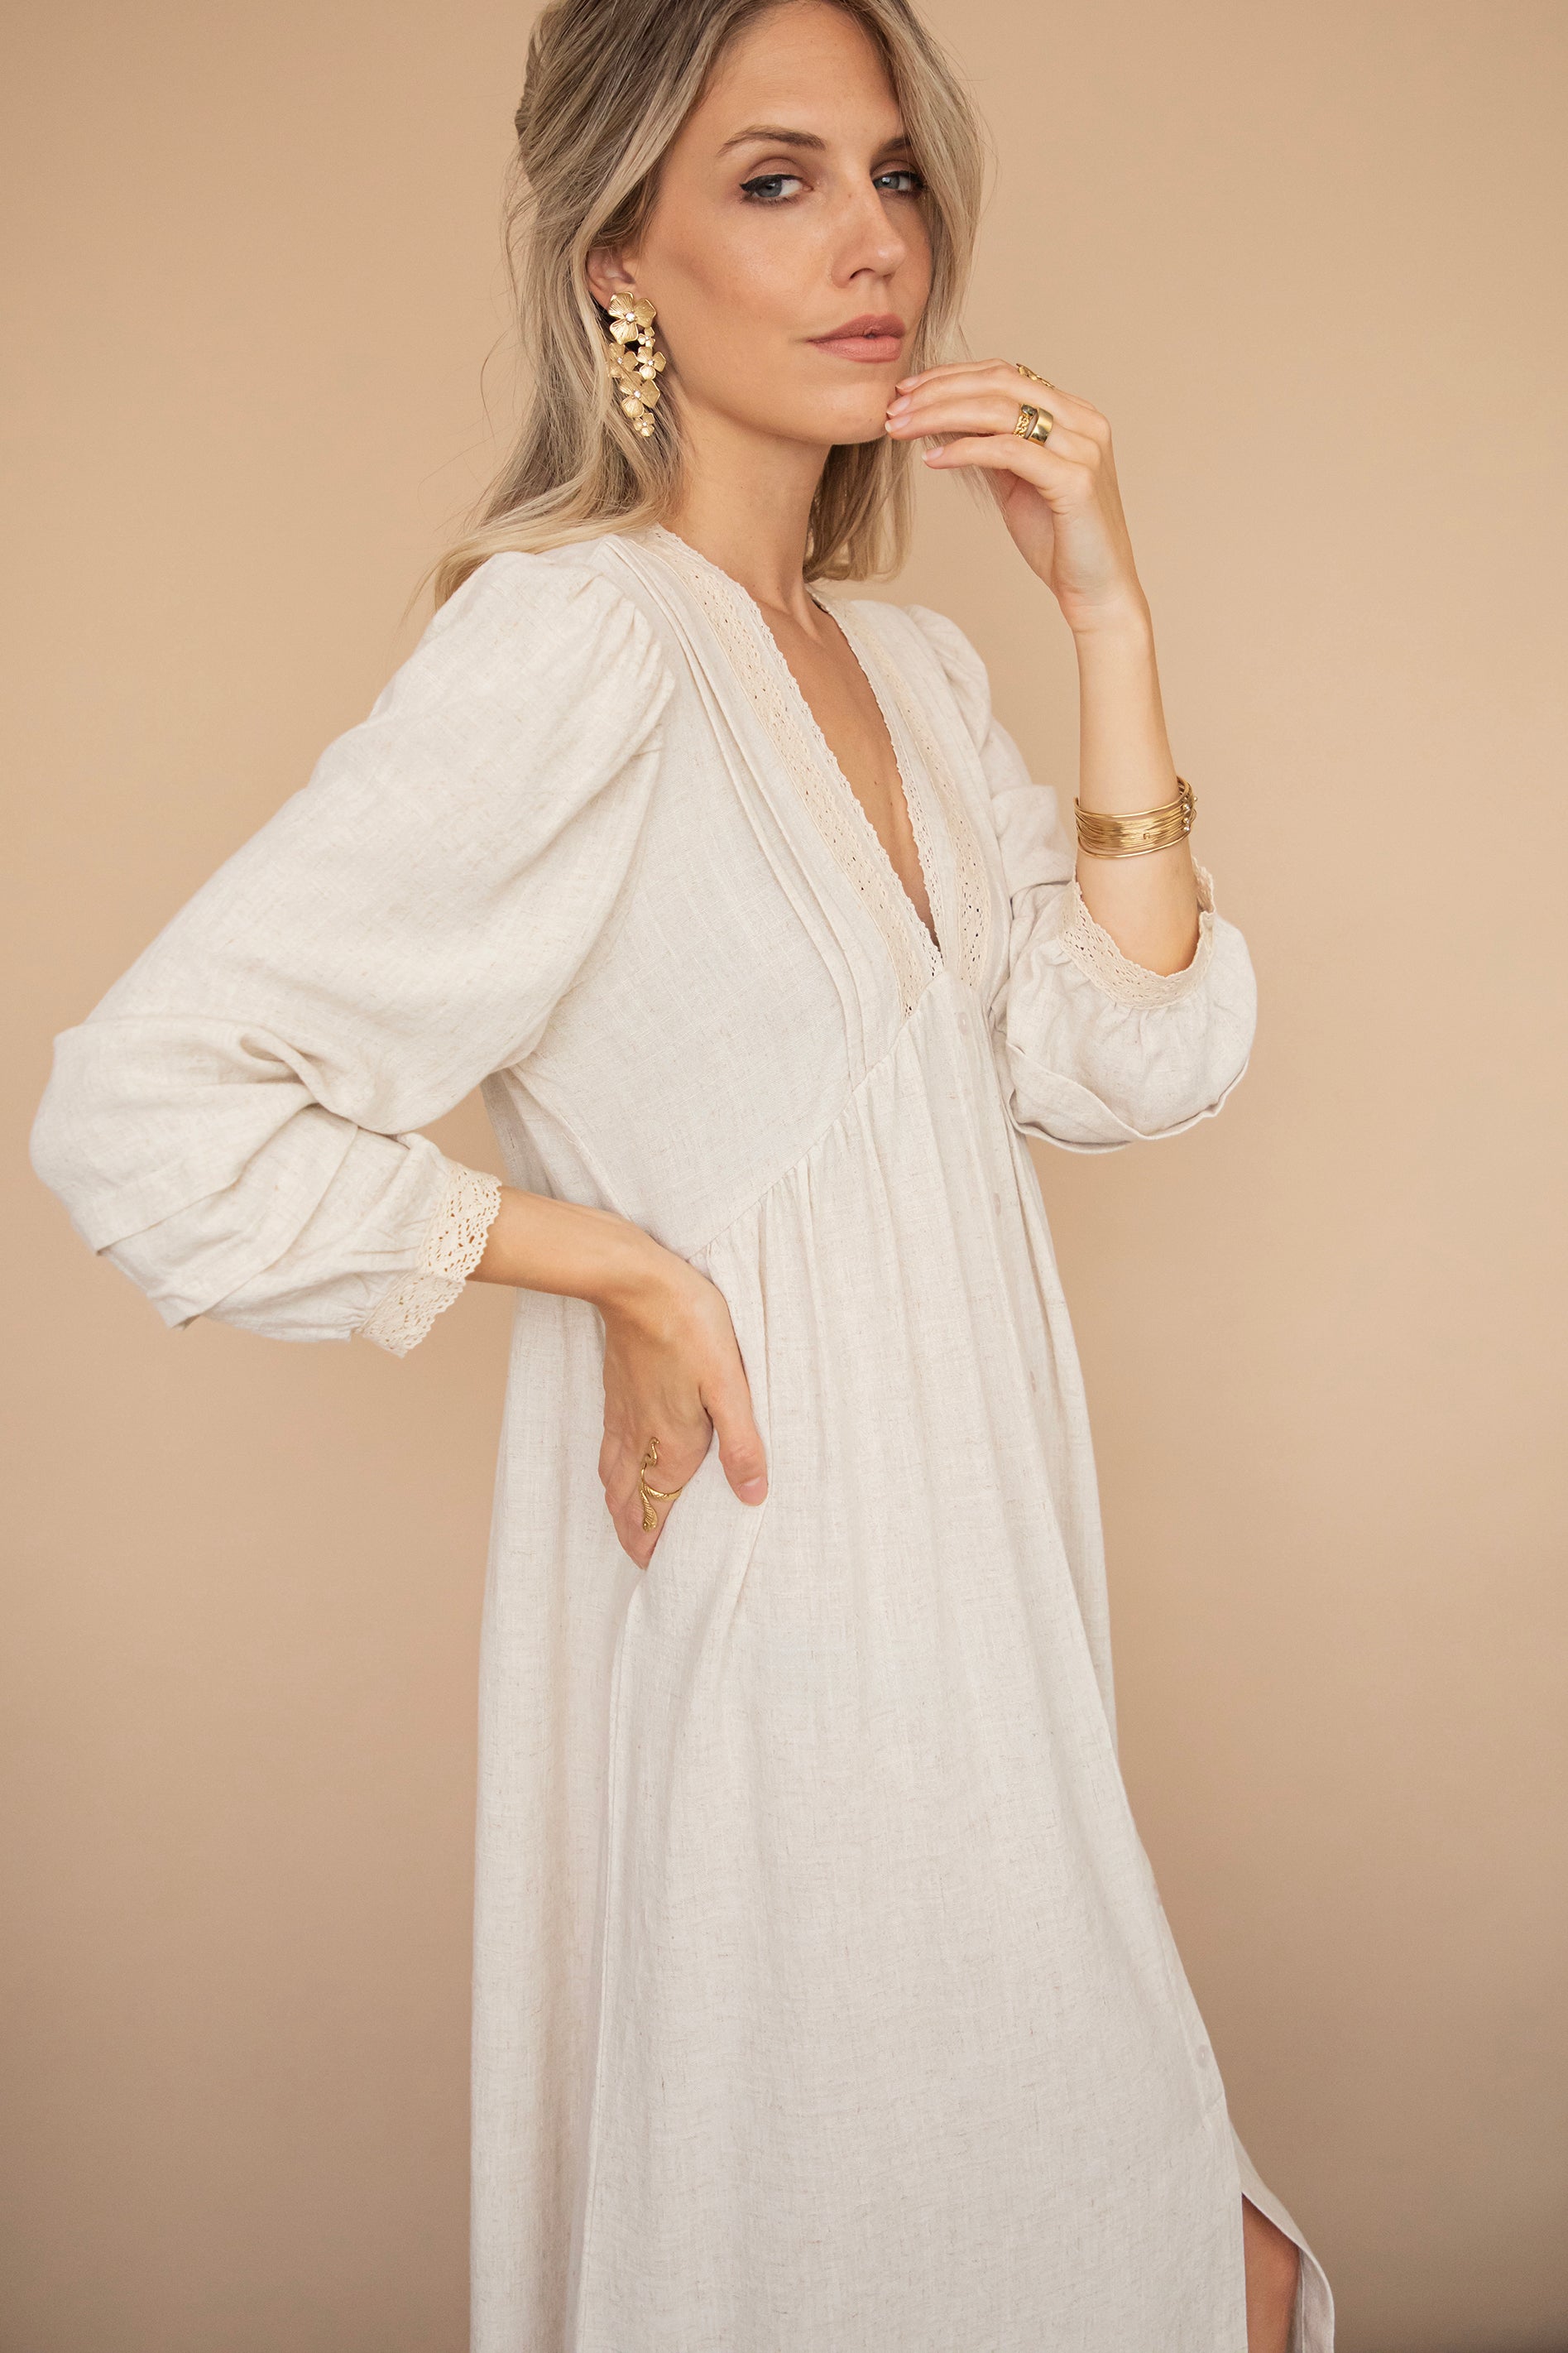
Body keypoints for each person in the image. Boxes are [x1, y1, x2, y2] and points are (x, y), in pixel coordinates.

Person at [29, 0, 1335, 2346]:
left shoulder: (919, 674)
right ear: (616, 258)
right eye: (775, 179)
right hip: (785, 1611)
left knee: (1158, 2265)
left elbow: (1125, 1057)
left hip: (994, 1622)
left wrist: (1107, 613)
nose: (874, 244)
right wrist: (614, 1267)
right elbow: (149, 1109)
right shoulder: (580, 641)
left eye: (894, 175)